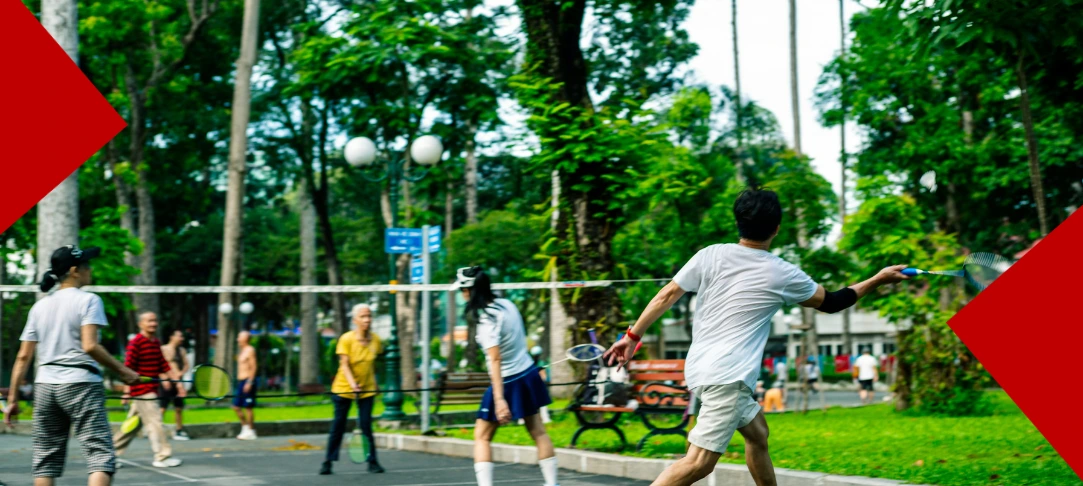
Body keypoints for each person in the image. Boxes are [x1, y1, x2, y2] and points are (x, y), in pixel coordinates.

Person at [603, 187, 909, 486]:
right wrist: (879, 278)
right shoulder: (782, 272)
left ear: (738, 222)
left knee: (758, 435)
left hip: (701, 369)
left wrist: (632, 336)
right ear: (776, 228)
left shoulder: (710, 254)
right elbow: (833, 302)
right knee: (699, 464)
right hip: (729, 375)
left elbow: (666, 295)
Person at [4, 245, 142, 485]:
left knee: (46, 458)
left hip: (45, 386)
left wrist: (13, 399)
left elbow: (23, 357)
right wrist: (123, 371)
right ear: (75, 270)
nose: (91, 270)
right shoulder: (89, 300)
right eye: (87, 266)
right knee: (100, 454)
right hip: (80, 383)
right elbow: (90, 346)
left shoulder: (40, 306)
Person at [454, 266, 559, 486]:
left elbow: (495, 360)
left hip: (508, 380)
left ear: (471, 290)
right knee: (538, 431)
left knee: (481, 436)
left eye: (463, 289)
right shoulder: (507, 305)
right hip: (528, 373)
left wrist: (500, 399)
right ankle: (553, 484)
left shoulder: (487, 321)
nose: (462, 294)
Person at [319, 304, 385, 475]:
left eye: (369, 316)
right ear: (355, 320)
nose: (367, 319)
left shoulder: (376, 340)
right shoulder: (346, 339)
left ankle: (373, 461)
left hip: (367, 389)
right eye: (363, 316)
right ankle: (328, 461)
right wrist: (353, 385)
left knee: (366, 426)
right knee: (338, 426)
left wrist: (375, 385)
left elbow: (372, 365)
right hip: (343, 388)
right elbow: (344, 365)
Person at [113, 311, 184, 468]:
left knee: (131, 426)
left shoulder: (155, 342)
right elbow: (128, 369)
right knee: (155, 423)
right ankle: (162, 456)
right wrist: (127, 391)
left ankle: (109, 455)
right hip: (142, 391)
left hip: (150, 389)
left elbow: (163, 364)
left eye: (155, 320)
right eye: (149, 321)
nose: (153, 323)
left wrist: (177, 382)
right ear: (141, 324)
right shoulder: (136, 343)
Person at [160, 329, 191, 441]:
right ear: (172, 337)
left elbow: (186, 365)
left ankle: (179, 430)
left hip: (178, 382)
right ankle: (156, 430)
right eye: (179, 336)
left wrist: (181, 373)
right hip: (167, 382)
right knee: (162, 407)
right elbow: (159, 365)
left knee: (179, 407)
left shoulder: (181, 350)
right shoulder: (164, 349)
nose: (181, 338)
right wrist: (163, 379)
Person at [233, 331, 258, 440]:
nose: (237, 339)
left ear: (245, 338)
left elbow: (253, 367)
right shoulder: (242, 351)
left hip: (247, 381)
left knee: (248, 407)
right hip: (241, 382)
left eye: (239, 337)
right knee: (236, 407)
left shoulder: (250, 350)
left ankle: (251, 431)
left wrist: (250, 382)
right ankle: (245, 427)